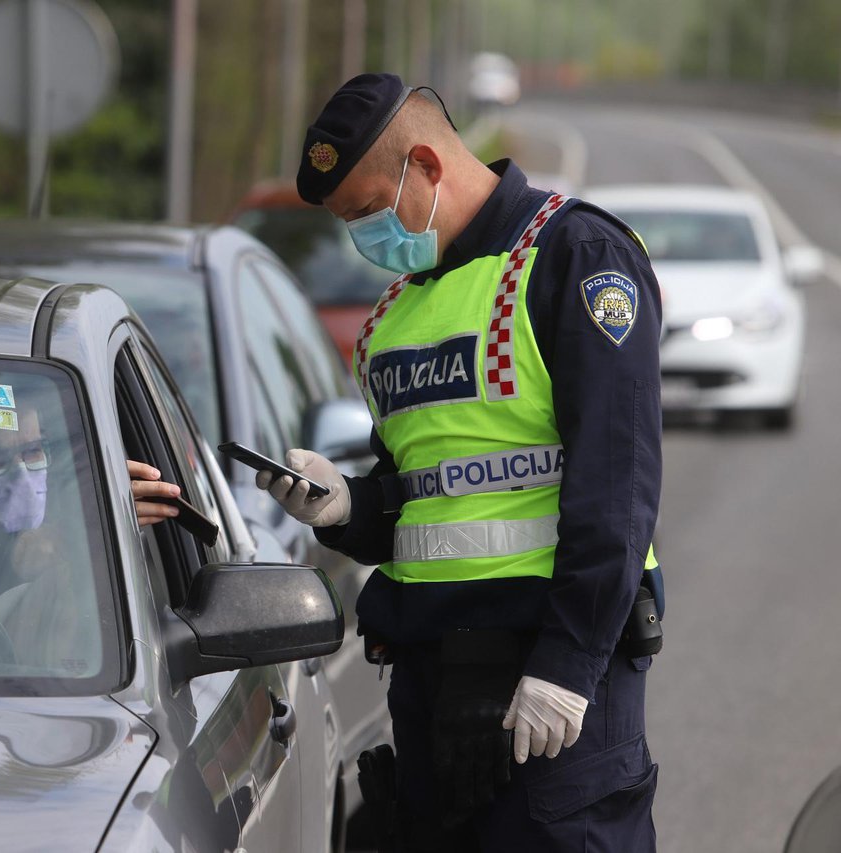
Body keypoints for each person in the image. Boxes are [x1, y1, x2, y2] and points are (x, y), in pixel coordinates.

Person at [258, 73, 665, 851]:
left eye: (367, 212)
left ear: (427, 166)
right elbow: (425, 501)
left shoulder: (574, 257)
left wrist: (568, 667)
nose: (363, 239)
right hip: (431, 687)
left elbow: (618, 487)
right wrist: (346, 505)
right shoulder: (394, 318)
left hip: (549, 692)